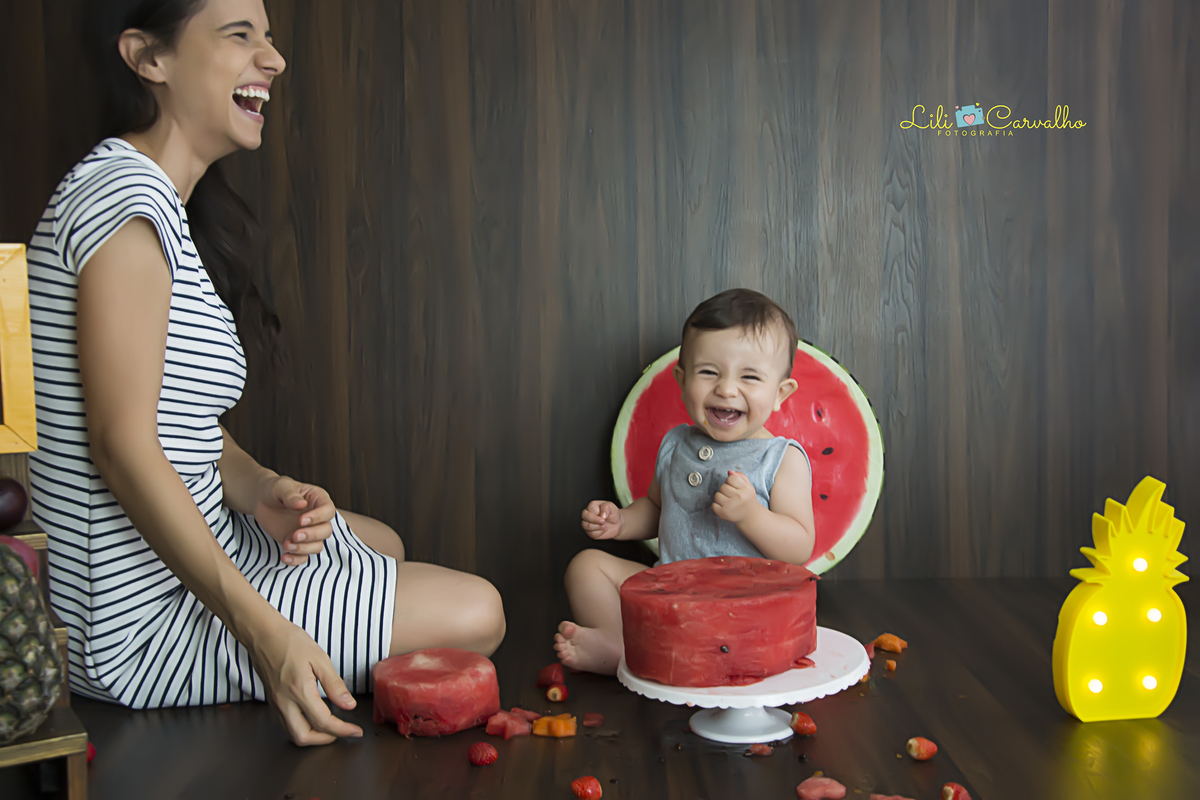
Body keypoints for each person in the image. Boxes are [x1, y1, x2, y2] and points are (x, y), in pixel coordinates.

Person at [26, 0, 504, 747]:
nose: (274, 59)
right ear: (149, 59)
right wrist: (264, 632)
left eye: (270, 37)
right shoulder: (124, 203)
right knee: (480, 611)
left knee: (379, 542)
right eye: (239, 35)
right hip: (131, 625)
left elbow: (179, 423)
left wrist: (260, 488)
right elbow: (122, 447)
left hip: (185, 555)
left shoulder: (155, 201)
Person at [553, 288, 816, 674]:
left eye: (749, 376)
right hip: (668, 588)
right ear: (682, 379)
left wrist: (750, 516)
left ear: (780, 394)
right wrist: (622, 522)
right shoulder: (676, 443)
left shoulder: (780, 459)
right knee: (586, 565)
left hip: (739, 605)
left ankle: (658, 655)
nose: (726, 388)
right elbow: (658, 507)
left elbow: (799, 547)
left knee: (733, 636)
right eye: (709, 371)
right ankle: (620, 646)